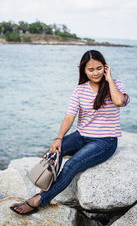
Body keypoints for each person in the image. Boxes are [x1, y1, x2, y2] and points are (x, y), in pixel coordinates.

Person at [10, 49, 130, 215]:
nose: (95, 73)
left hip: (105, 141)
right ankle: (44, 185)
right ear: (83, 71)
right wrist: (59, 138)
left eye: (99, 68)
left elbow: (119, 101)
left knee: (71, 165)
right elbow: (69, 117)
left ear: (105, 68)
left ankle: (39, 199)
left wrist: (109, 79)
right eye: (91, 69)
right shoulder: (80, 90)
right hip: (81, 136)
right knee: (53, 153)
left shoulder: (115, 85)